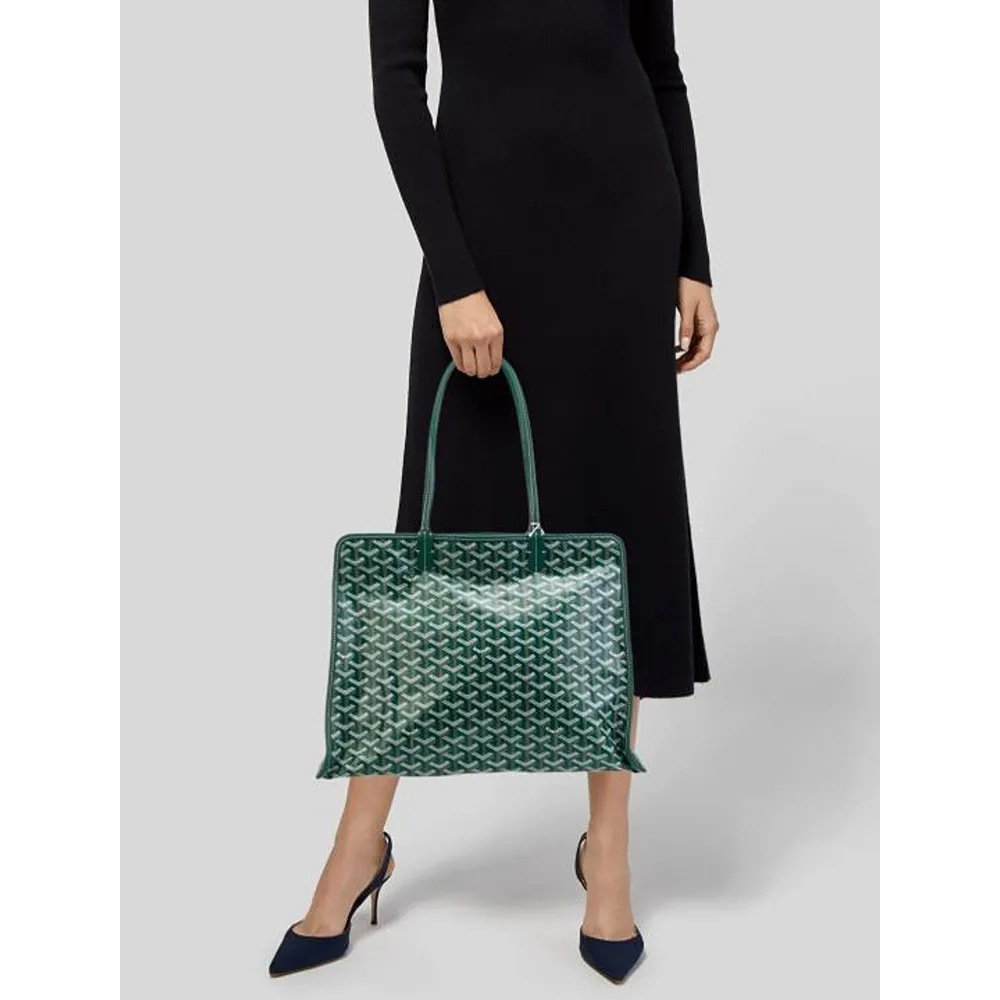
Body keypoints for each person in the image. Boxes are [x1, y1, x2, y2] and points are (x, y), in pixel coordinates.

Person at [270, 0, 719, 984]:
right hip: (485, 242)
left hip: (625, 230)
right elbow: (397, 86)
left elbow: (661, 70)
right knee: (434, 544)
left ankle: (609, 850)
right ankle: (357, 845)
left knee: (613, 529)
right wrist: (453, 277)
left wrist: (693, 255)